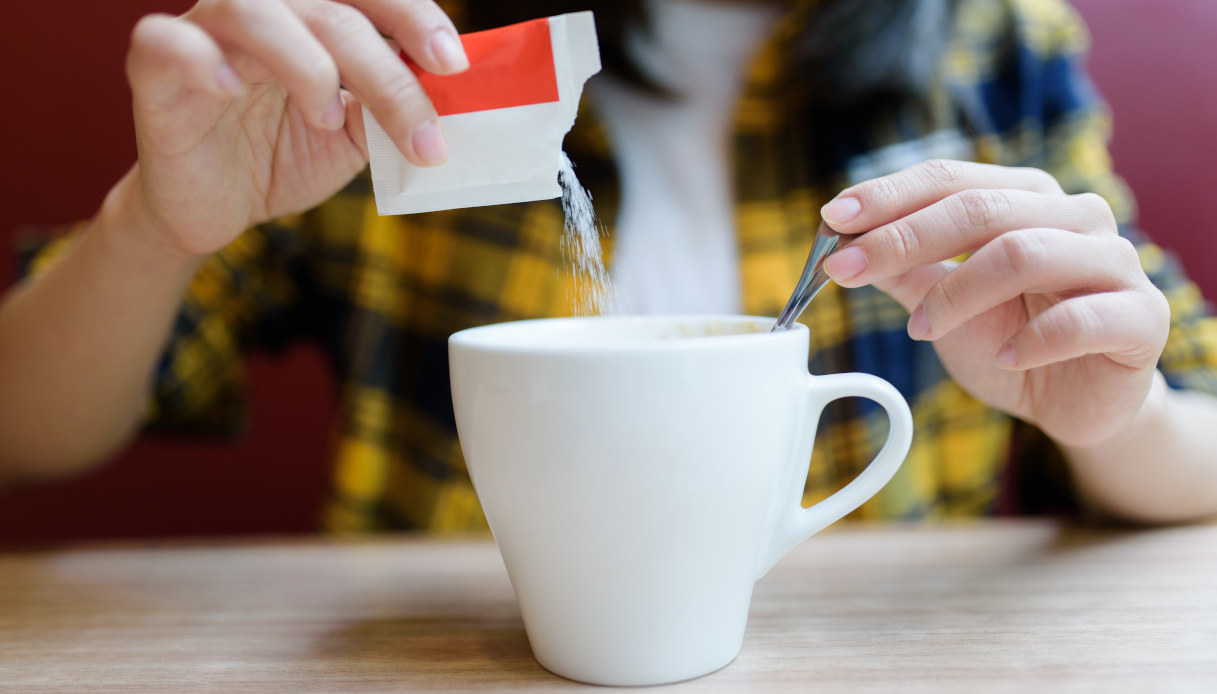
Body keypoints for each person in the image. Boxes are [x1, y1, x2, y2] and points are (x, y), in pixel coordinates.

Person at [2, 0, 1216, 533]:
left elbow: (1192, 417)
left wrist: (1114, 419)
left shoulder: (991, 40)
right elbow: (24, 430)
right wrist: (155, 226)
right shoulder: (387, 61)